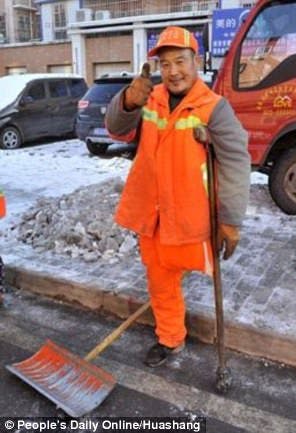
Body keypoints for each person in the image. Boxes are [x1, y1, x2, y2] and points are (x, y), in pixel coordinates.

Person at [105, 26, 250, 367]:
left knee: (193, 269)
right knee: (160, 282)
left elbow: (236, 164)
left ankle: (190, 330)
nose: (173, 71)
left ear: (195, 61)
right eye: (165, 64)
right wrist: (127, 100)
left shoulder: (215, 108)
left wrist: (231, 221)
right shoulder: (149, 97)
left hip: (190, 215)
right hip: (151, 214)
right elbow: (115, 128)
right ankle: (171, 339)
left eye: (180, 61)